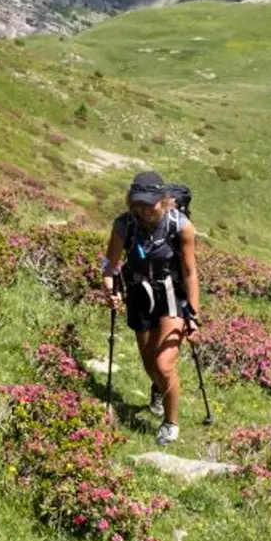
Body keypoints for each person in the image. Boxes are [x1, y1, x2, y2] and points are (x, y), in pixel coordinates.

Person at [100, 170, 201, 444]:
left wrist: (193, 314)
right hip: (138, 295)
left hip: (172, 296)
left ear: (164, 200)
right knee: (149, 362)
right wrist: (110, 289)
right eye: (138, 203)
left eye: (150, 203)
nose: (144, 209)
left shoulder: (181, 226)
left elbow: (190, 272)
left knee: (163, 364)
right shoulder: (124, 225)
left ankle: (171, 423)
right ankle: (158, 388)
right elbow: (110, 265)